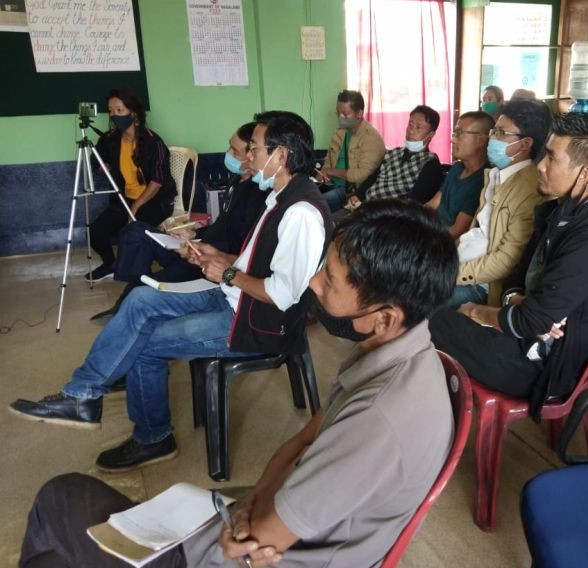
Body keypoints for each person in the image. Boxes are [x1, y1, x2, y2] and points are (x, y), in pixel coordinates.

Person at [20, 199, 459, 568]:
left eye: (330, 276)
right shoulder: (396, 352)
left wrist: (248, 518)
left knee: (59, 499)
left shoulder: (379, 421)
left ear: (384, 316)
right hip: (255, 517)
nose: (314, 281)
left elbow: (259, 543)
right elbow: (304, 439)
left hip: (252, 556)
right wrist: (252, 499)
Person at [9, 111, 333, 471]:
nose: (248, 157)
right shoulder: (279, 195)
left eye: (254, 148)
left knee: (145, 344)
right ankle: (82, 395)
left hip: (258, 322)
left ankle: (153, 438)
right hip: (236, 298)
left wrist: (227, 273)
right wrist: (217, 255)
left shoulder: (301, 211)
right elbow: (257, 263)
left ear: (281, 155)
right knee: (140, 301)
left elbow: (283, 294)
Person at [430, 113, 588, 414]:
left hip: (541, 367)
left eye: (550, 157)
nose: (540, 166)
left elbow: (531, 322)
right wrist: (517, 303)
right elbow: (516, 283)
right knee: (427, 314)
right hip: (522, 339)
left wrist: (478, 311)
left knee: (425, 318)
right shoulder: (558, 215)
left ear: (584, 174)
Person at [89, 121, 267, 324]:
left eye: (235, 152)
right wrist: (193, 234)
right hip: (196, 248)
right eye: (230, 147)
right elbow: (223, 227)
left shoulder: (258, 195)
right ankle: (135, 290)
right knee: (137, 230)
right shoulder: (237, 182)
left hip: (208, 262)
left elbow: (242, 245)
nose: (228, 153)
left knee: (142, 288)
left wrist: (199, 249)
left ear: (252, 156)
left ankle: (135, 298)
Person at [450, 100, 551, 308]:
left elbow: (506, 261)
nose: (491, 138)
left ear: (525, 144)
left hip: (482, 286)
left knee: (415, 301)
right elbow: (477, 233)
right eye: (494, 130)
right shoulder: (496, 175)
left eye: (501, 133)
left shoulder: (529, 189)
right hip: (459, 268)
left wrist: (449, 275)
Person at [85, 88, 177, 282]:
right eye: (111, 111)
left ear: (133, 112)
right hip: (123, 199)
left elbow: (157, 181)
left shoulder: (154, 142)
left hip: (155, 201)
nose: (113, 115)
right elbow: (96, 159)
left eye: (119, 110)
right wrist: (105, 167)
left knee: (131, 232)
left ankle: (139, 272)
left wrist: (135, 207)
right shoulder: (110, 139)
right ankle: (111, 264)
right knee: (95, 231)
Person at [344, 105, 442, 209]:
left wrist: (375, 208)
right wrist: (358, 195)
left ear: (430, 135)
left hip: (391, 216)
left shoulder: (430, 164)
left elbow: (415, 200)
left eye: (418, 127)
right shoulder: (393, 153)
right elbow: (373, 178)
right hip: (366, 206)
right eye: (410, 124)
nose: (411, 130)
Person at [426, 111, 493, 237]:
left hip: (443, 240)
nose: (453, 140)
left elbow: (457, 230)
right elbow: (433, 204)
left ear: (482, 140)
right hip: (432, 228)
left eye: (459, 134)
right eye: (454, 133)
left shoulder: (483, 180)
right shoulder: (456, 168)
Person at [319, 90, 386, 212]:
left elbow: (363, 175)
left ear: (359, 113)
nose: (340, 117)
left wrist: (332, 172)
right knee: (300, 196)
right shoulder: (340, 132)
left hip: (350, 192)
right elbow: (329, 158)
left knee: (315, 205)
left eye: (345, 114)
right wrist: (322, 173)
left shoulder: (371, 138)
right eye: (338, 113)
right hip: (330, 185)